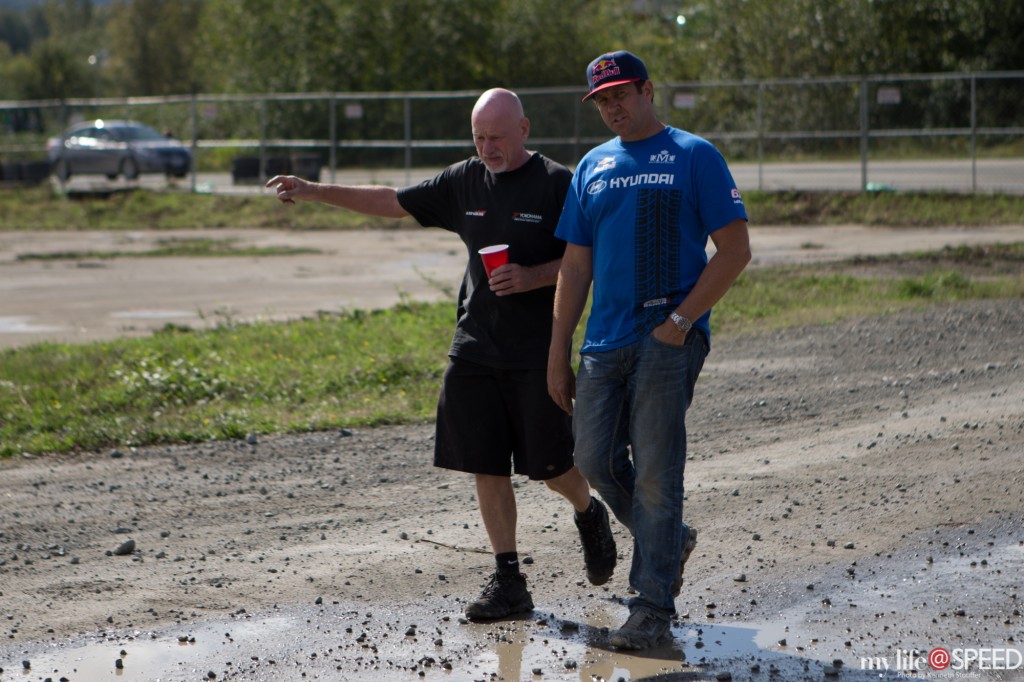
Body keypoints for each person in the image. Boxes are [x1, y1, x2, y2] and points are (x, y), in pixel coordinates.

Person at [266, 88, 616, 621]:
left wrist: (534, 276)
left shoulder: (557, 184)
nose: (487, 147)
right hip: (475, 346)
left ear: (524, 129)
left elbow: (582, 259)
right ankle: (509, 579)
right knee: (485, 463)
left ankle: (588, 512)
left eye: (497, 136)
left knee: (551, 468)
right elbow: (391, 200)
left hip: (536, 350)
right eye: (478, 137)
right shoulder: (465, 179)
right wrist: (312, 190)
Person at [547, 51, 751, 649]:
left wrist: (681, 321)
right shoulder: (593, 165)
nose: (612, 107)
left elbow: (735, 250)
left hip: (668, 337)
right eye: (602, 101)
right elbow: (575, 264)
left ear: (647, 90)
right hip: (602, 344)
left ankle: (652, 608)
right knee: (593, 459)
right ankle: (671, 540)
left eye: (621, 95)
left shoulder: (694, 155)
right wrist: (558, 350)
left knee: (658, 473)